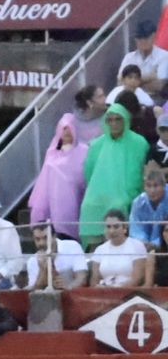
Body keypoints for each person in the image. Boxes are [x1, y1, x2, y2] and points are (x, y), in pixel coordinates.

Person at [81, 104, 148, 245]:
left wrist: (131, 192)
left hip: (126, 193)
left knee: (120, 204)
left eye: (118, 119)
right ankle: (93, 251)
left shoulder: (138, 143)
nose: (114, 123)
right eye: (109, 120)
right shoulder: (96, 144)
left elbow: (139, 173)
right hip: (98, 193)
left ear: (125, 120)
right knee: (88, 205)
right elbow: (89, 173)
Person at [29, 112, 89, 241]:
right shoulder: (52, 153)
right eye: (63, 128)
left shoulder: (84, 151)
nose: (66, 131)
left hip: (76, 199)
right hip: (54, 202)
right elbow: (44, 182)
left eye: (69, 127)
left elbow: (84, 176)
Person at [89, 208, 151, 288]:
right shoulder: (99, 250)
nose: (111, 231)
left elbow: (137, 278)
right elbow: (94, 280)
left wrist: (116, 288)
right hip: (104, 293)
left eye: (116, 227)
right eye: (108, 227)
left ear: (124, 228)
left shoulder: (136, 246)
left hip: (129, 293)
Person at [24, 221, 88, 292]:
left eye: (46, 238)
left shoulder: (72, 246)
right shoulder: (32, 261)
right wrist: (42, 270)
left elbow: (82, 277)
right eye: (37, 239)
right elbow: (34, 290)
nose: (41, 243)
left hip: (72, 295)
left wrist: (68, 288)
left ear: (54, 236)